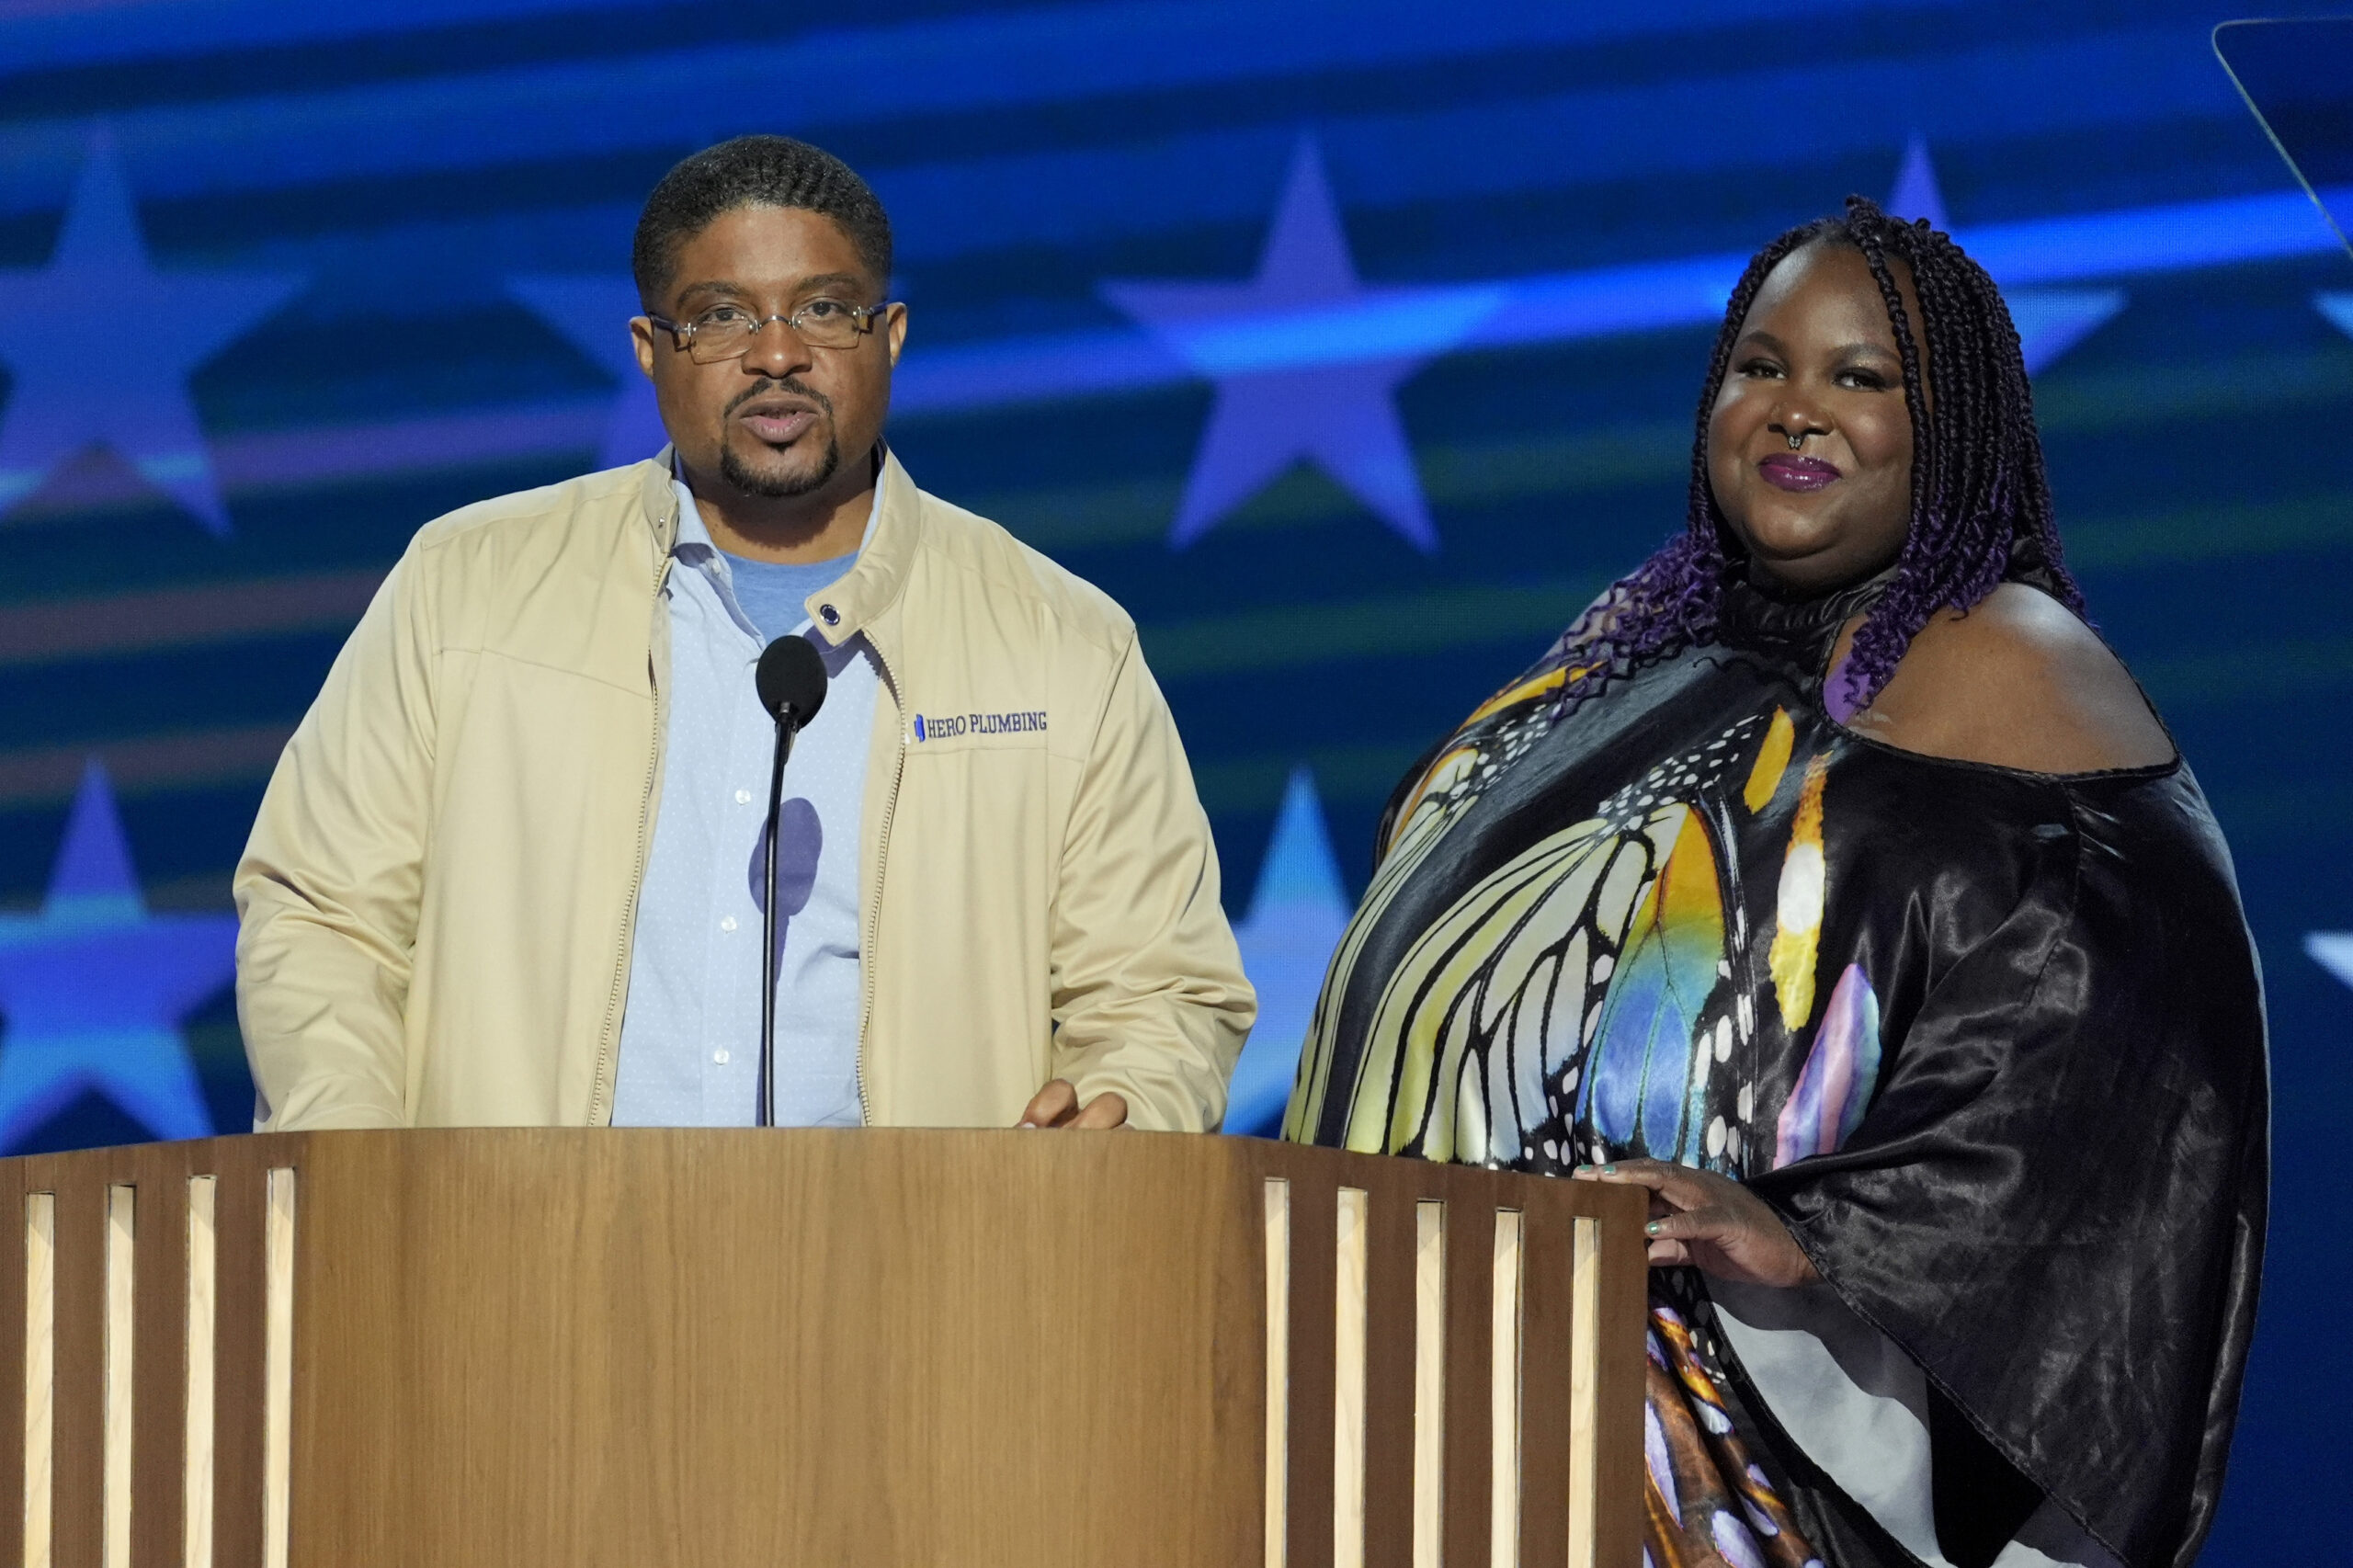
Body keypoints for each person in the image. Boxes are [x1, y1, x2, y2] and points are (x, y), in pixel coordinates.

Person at [1282, 198, 2265, 1568]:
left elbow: (2130, 1042)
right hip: (1419, 1418)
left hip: (1693, 1466)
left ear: (1953, 429)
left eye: (1861, 378)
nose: (1798, 410)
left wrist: (1830, 1241)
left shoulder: (2001, 669)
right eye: (1762, 366)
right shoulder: (1641, 655)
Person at [236, 135, 1253, 1134]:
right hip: (521, 1267)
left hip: (922, 1277)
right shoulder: (467, 588)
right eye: (720, 316)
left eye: (823, 308)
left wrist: (1122, 1109)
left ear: (889, 334)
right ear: (649, 350)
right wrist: (358, 1167)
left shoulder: (1062, 642)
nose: (777, 355)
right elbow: (323, 915)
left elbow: (1157, 991)